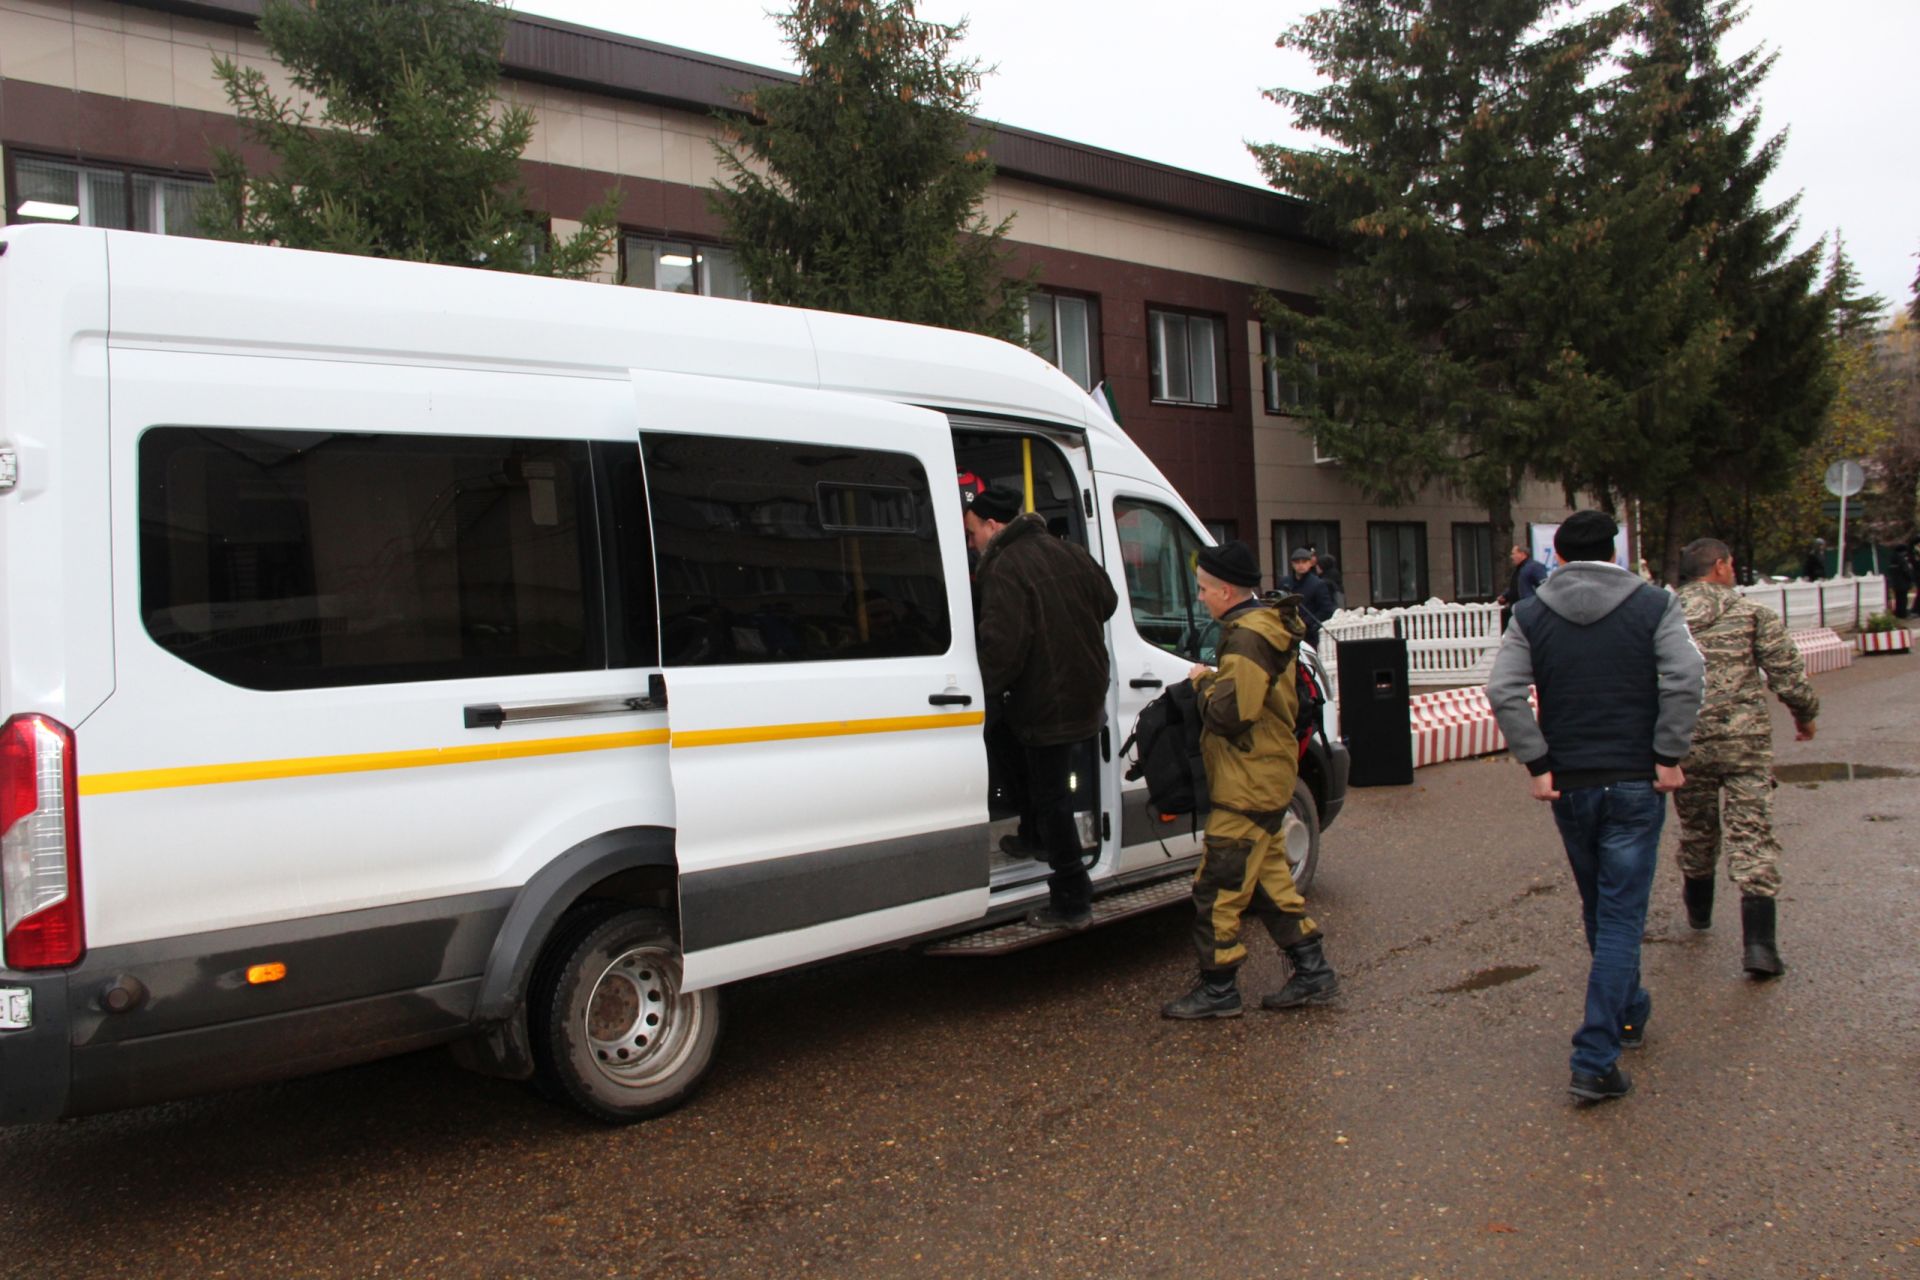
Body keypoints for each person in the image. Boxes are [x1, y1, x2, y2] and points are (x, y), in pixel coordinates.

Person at [1486, 510, 1704, 1104]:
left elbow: (1502, 690)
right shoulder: (1654, 604)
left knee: (1601, 907)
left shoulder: (1531, 612)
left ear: (1556, 555)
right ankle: (1594, 1056)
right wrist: (1668, 752)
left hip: (1571, 785)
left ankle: (1629, 1010)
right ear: (1615, 550)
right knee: (1622, 916)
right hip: (1636, 779)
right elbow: (1686, 677)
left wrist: (1537, 762)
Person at [1161, 540, 1339, 1019]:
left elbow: (1231, 712)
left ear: (1224, 590)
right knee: (1269, 879)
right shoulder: (1262, 627)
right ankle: (1313, 972)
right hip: (1265, 772)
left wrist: (1202, 682)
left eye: (1202, 590)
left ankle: (1218, 989)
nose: (1200, 598)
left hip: (1248, 778)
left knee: (1217, 887)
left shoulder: (1246, 637)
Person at [965, 484, 1118, 930]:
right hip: (1085, 689)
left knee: (1052, 796)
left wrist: (981, 693)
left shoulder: (1005, 565)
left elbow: (1004, 649)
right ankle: (1033, 836)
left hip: (1045, 699)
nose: (972, 543)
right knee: (1028, 765)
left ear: (994, 526)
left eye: (973, 533)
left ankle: (1072, 895)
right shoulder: (1065, 550)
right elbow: (1106, 601)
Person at [1671, 538, 1818, 978]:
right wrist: (1805, 717)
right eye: (1731, 564)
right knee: (1752, 836)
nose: (1733, 570)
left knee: (1697, 829)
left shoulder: (1664, 616)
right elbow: (1788, 675)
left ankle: (1699, 914)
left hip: (1685, 742)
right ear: (1718, 567)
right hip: (1745, 745)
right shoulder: (1752, 614)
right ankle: (1759, 948)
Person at [1276, 546, 1335, 647]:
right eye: (1297, 562)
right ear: (1292, 564)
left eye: (1304, 562)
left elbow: (1326, 610)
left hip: (1308, 634)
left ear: (1310, 563)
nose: (1301, 565)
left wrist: (1308, 623)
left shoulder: (1318, 584)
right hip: (1287, 631)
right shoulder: (1285, 583)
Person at [1495, 544, 1548, 630]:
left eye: (1513, 553)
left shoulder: (1534, 567)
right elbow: (1516, 587)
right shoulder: (1519, 569)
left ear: (1522, 554)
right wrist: (1505, 596)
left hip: (1528, 609)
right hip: (1518, 609)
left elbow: (1544, 586)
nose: (1511, 557)